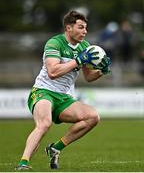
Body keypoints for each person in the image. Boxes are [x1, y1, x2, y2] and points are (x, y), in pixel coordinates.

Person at [15, 10, 110, 170]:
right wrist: (78, 60)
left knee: (93, 117)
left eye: (86, 28)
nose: (85, 31)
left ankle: (56, 147)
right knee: (44, 124)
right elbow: (53, 72)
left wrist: (102, 71)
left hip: (64, 98)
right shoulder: (54, 43)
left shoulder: (85, 47)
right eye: (80, 27)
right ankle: (23, 163)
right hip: (43, 91)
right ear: (68, 28)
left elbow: (88, 77)